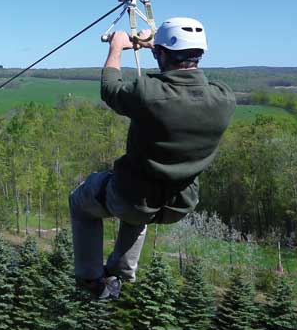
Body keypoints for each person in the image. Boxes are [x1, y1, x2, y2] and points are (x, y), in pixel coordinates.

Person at [70, 17, 234, 299]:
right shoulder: (223, 98)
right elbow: (178, 85)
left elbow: (110, 88)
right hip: (179, 204)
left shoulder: (149, 92)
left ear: (161, 54)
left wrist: (118, 48)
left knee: (81, 200)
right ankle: (120, 273)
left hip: (132, 199)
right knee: (142, 203)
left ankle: (90, 280)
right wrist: (154, 46)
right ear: (200, 54)